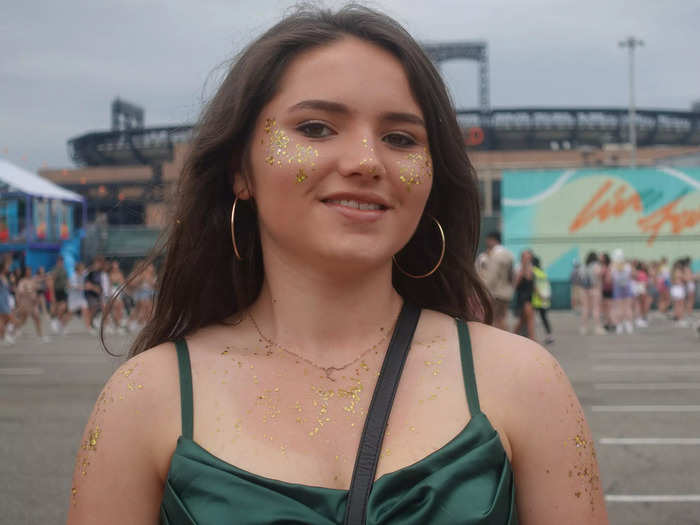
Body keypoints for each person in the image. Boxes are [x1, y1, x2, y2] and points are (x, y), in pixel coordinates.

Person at [68, 6, 607, 524]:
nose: (367, 161)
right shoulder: (141, 399)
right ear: (241, 171)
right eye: (317, 128)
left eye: (400, 138)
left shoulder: (525, 382)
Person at [482, 231, 515, 330]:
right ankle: (508, 339)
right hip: (507, 291)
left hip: (496, 292)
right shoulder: (509, 254)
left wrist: (484, 290)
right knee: (502, 318)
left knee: (495, 320)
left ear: (492, 240)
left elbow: (492, 275)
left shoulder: (495, 255)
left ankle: (505, 341)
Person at [531, 255, 554, 345]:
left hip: (536, 299)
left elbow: (534, 285)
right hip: (545, 299)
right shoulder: (542, 272)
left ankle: (532, 336)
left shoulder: (533, 272)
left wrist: (539, 295)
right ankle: (549, 335)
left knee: (532, 318)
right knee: (544, 318)